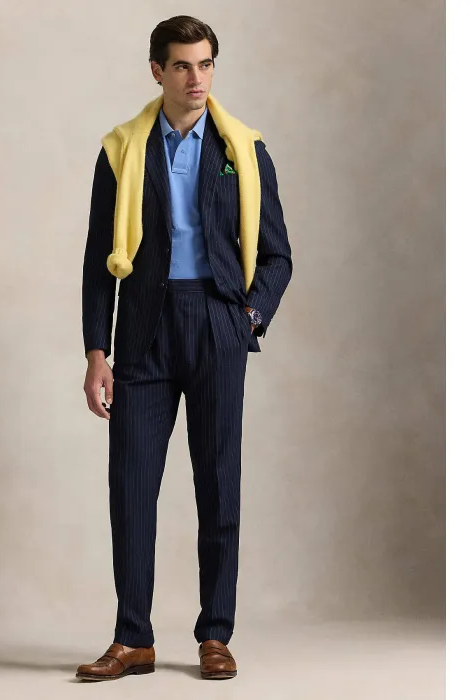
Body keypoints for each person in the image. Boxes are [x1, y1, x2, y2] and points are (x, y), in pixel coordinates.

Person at [77, 15, 293, 682]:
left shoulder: (243, 150)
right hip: (143, 329)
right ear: (157, 71)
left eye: (205, 64)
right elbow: (98, 261)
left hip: (217, 324)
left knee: (219, 485)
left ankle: (215, 635)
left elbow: (278, 255)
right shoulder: (122, 151)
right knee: (131, 487)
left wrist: (248, 319)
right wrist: (96, 352)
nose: (196, 78)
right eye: (182, 65)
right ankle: (133, 638)